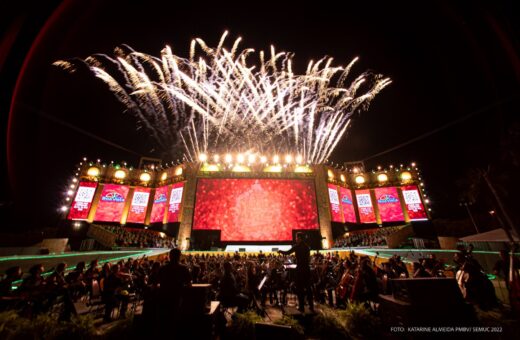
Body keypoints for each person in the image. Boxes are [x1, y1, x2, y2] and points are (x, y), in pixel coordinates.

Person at [278, 232, 314, 313]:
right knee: (308, 289)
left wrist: (280, 251)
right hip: (307, 269)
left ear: (300, 238)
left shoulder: (297, 246)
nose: (295, 239)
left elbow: (287, 252)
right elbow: (308, 259)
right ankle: (311, 306)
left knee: (300, 289)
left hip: (300, 269)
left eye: (296, 238)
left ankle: (301, 307)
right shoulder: (307, 247)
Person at [156, 248, 191, 331]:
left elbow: (157, 282)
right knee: (175, 319)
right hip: (177, 297)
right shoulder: (183, 268)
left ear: (169, 256)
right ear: (179, 257)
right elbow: (189, 284)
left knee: (165, 320)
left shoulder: (162, 268)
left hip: (163, 297)